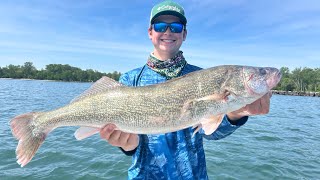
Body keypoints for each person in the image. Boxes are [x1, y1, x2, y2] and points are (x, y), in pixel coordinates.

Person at [100, 0, 272, 179]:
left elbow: (209, 132)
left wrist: (236, 115)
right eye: (160, 26)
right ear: (150, 32)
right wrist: (127, 145)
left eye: (175, 26)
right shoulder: (129, 80)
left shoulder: (202, 76)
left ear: (184, 34)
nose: (167, 31)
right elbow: (130, 141)